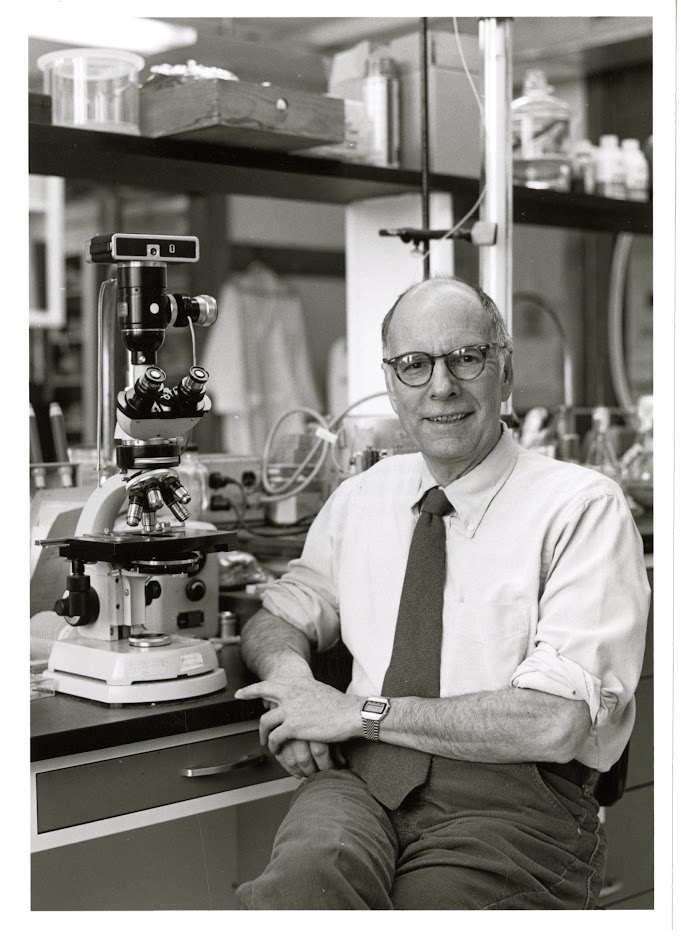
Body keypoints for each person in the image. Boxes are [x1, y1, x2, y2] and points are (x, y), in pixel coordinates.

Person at [234, 276, 650, 910]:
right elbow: (281, 614)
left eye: (466, 357)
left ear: (504, 373)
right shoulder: (363, 497)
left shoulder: (582, 508)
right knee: (297, 892)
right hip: (359, 784)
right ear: (392, 382)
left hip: (513, 802)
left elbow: (553, 722)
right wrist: (295, 688)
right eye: (414, 364)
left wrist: (359, 714)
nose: (441, 386)